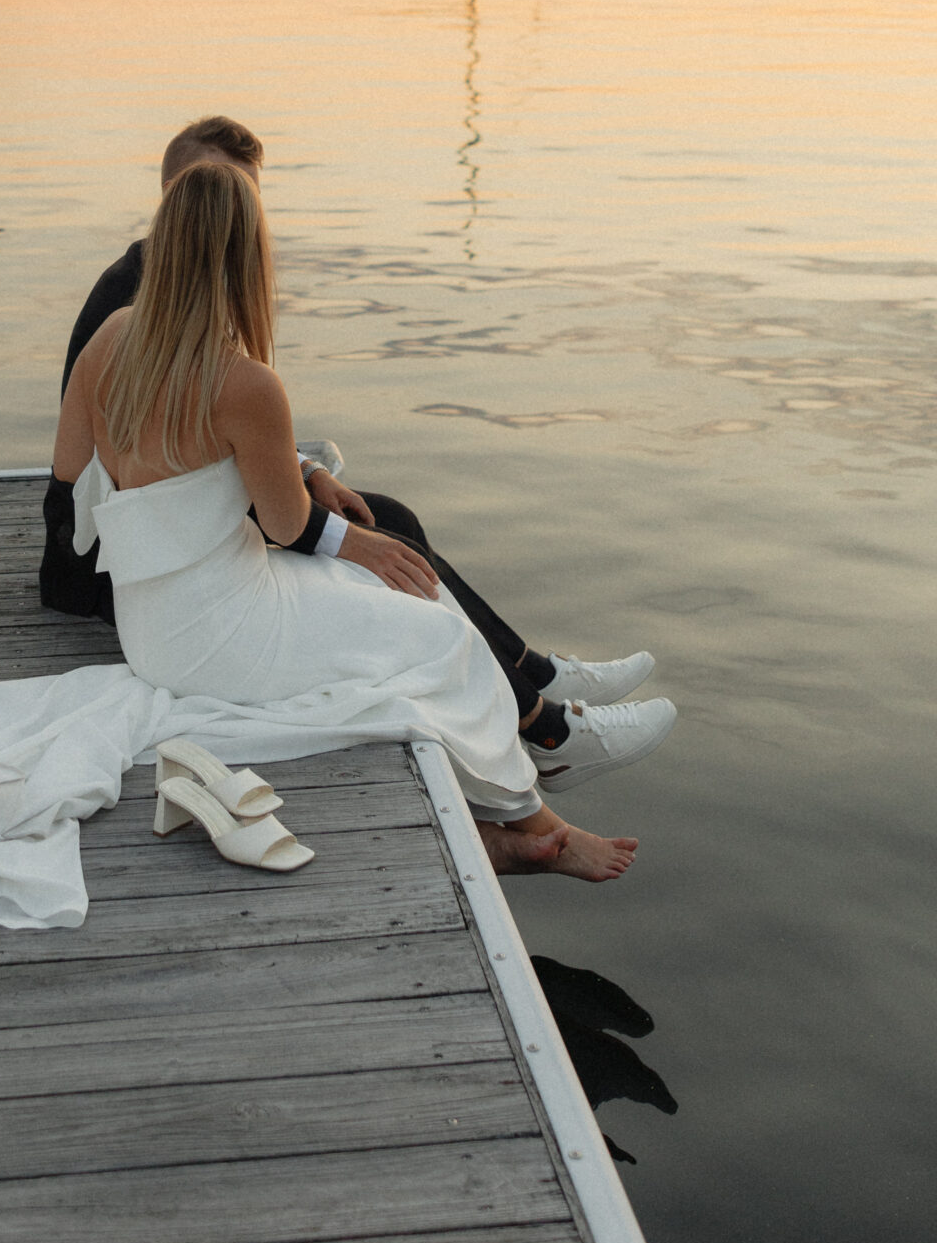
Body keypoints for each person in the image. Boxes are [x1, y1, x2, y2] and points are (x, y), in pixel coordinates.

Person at [53, 156, 677, 880]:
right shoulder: (244, 381)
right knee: (439, 637)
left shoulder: (110, 341)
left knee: (403, 586)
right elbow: (288, 526)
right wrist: (361, 545)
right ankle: (544, 820)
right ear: (244, 258)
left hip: (150, 626)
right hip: (220, 633)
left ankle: (551, 741)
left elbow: (72, 469)